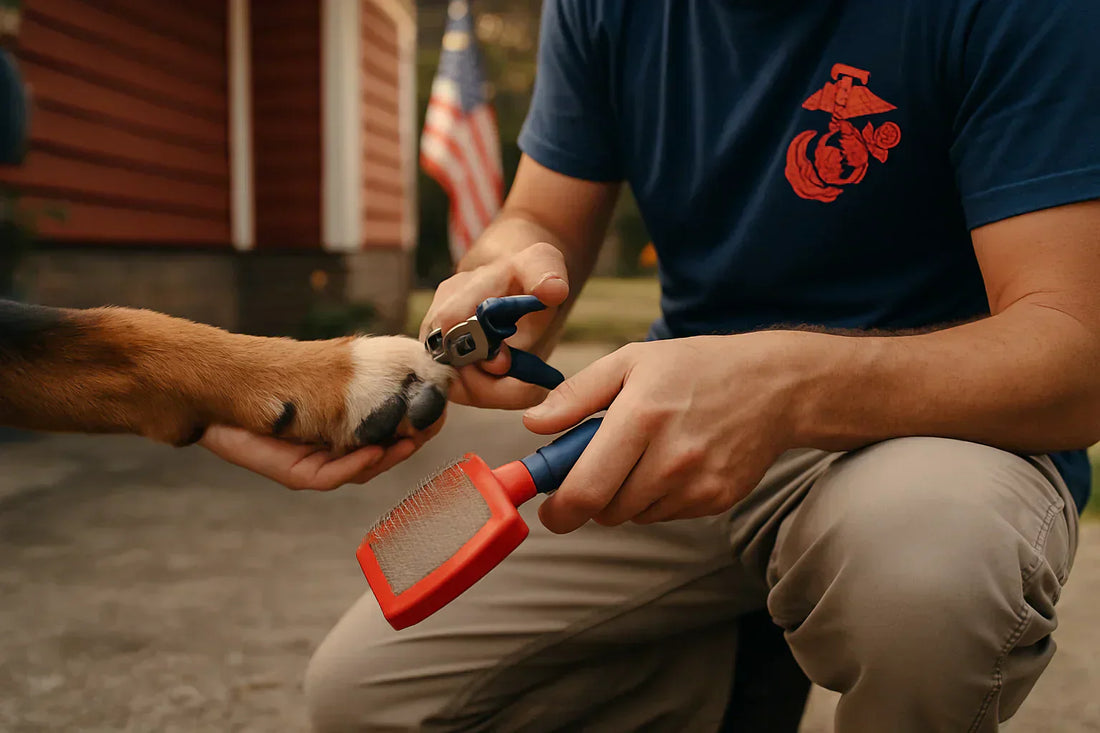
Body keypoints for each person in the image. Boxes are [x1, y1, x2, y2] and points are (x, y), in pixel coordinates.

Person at [214, 0, 1100, 730]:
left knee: (926, 584)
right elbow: (539, 218)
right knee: (367, 697)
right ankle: (710, 685)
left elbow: (1075, 355)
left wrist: (781, 383)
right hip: (674, 429)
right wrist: (507, 266)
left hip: (935, 429)